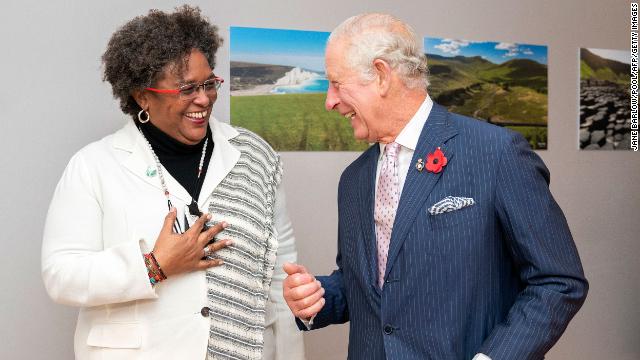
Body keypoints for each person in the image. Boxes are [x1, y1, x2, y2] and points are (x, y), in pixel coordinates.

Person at [283, 13, 588, 360]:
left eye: (337, 83)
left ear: (382, 75)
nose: (329, 101)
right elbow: (369, 285)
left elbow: (558, 282)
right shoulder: (353, 180)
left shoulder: (496, 153)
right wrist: (319, 297)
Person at [41, 6, 304, 360]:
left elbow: (281, 278)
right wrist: (153, 265)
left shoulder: (255, 155)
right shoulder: (94, 165)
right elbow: (61, 275)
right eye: (186, 88)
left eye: (209, 84)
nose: (203, 99)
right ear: (141, 95)